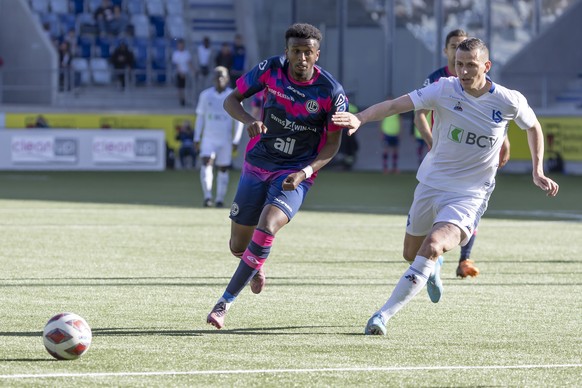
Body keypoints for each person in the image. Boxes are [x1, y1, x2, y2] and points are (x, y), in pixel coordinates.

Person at [331, 37, 559, 336]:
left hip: (470, 194)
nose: (463, 71)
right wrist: (360, 118)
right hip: (431, 183)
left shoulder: (508, 100)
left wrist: (537, 169)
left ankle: (382, 316)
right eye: (459, 64)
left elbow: (533, 127)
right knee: (411, 253)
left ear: (486, 66)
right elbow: (396, 105)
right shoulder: (443, 88)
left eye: (471, 66)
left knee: (433, 245)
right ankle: (431, 268)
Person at [206, 23, 349, 329]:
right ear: (287, 52)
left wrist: (304, 173)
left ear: (317, 54)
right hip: (258, 163)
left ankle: (224, 302)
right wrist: (249, 120)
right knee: (237, 245)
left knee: (268, 224)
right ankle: (254, 264)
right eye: (295, 51)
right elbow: (231, 100)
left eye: (307, 52)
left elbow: (333, 145)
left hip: (295, 172)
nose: (301, 58)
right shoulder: (270, 69)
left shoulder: (331, 92)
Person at [414, 29, 511, 278]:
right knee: (434, 213)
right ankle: (432, 257)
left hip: (473, 157)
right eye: (455, 46)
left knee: (470, 203)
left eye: (463, 45)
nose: (464, 66)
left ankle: (464, 259)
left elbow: (493, 114)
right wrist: (431, 142)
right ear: (446, 51)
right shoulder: (438, 80)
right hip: (443, 153)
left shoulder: (478, 76)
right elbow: (419, 113)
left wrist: (504, 140)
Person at [194, 66, 244, 207]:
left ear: (227, 79)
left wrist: (236, 139)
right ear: (213, 79)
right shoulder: (205, 95)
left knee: (223, 168)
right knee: (206, 163)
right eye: (217, 77)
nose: (219, 79)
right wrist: (197, 137)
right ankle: (207, 196)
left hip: (225, 140)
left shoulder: (234, 96)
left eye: (222, 76)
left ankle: (220, 199)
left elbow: (239, 120)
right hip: (208, 138)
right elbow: (200, 117)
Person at [380, 101, 402, 173]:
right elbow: (381, 122)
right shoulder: (384, 112)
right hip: (387, 133)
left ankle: (394, 167)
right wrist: (382, 133)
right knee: (386, 150)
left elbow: (400, 122)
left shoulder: (397, 112)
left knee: (395, 150)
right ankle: (385, 167)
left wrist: (399, 132)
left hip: (395, 133)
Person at [171, 39, 193, 107]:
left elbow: (189, 63)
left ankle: (186, 100)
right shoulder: (176, 54)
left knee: (186, 87)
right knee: (180, 88)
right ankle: (181, 100)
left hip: (186, 73)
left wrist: (193, 70)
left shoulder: (187, 53)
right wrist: (180, 72)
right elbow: (177, 65)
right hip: (179, 73)